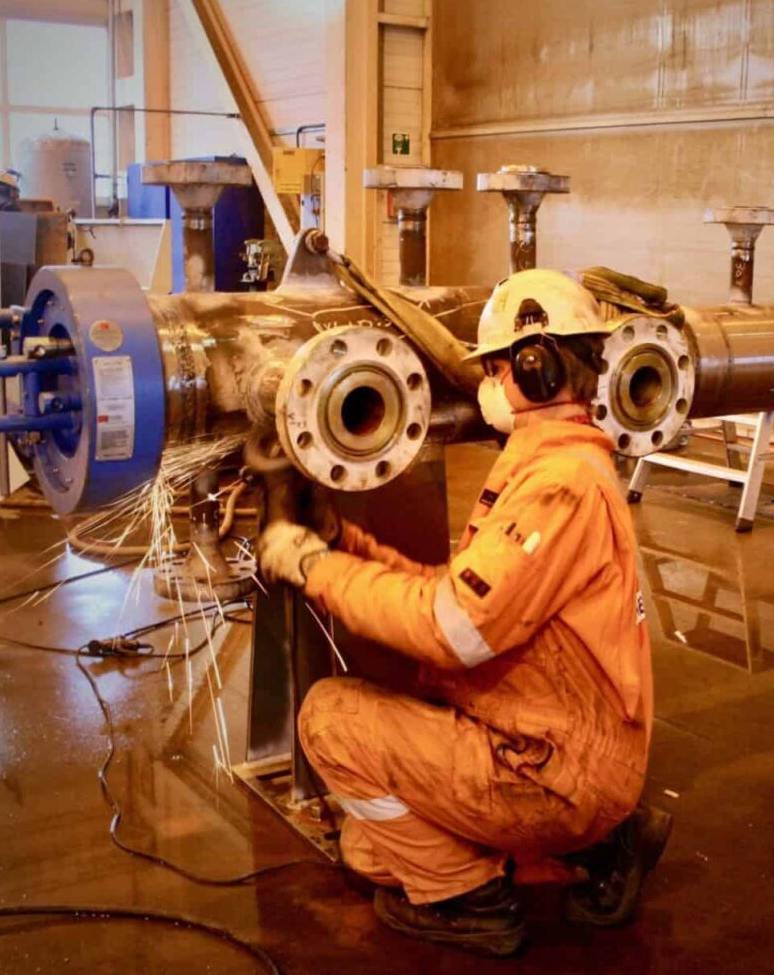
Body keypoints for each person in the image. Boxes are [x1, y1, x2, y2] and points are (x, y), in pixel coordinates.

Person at [259, 269, 671, 957]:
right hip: (560, 739)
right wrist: (341, 542)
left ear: (533, 367)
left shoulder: (559, 489)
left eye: (494, 368)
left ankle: (471, 900)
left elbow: (452, 627)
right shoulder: (554, 465)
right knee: (368, 848)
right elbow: (461, 592)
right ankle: (600, 845)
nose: (486, 384)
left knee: (329, 721)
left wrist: (312, 569)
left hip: (552, 770)